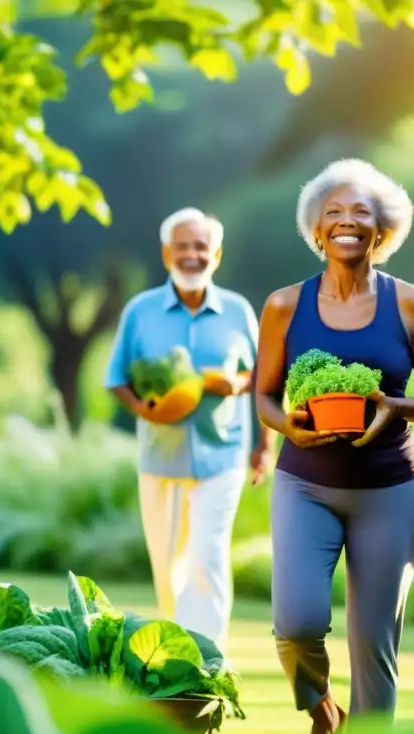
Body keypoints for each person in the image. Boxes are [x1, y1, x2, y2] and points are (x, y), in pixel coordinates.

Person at [253, 158, 414, 734]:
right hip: (304, 484)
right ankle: (324, 711)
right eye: (333, 213)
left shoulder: (412, 304)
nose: (346, 221)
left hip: (389, 490)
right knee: (296, 624)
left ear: (381, 231)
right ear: (316, 230)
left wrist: (396, 406)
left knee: (374, 648)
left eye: (360, 213)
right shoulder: (285, 306)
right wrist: (286, 424)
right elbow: (263, 393)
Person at [105, 207, 275, 652]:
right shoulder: (140, 311)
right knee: (167, 566)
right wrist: (144, 408)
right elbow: (116, 378)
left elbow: (263, 379)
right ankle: (177, 642)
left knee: (207, 555)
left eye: (201, 247)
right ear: (166, 254)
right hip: (161, 455)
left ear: (216, 255)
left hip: (223, 454)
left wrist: (265, 446)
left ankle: (205, 655)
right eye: (183, 247)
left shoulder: (238, 311)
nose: (192, 255)